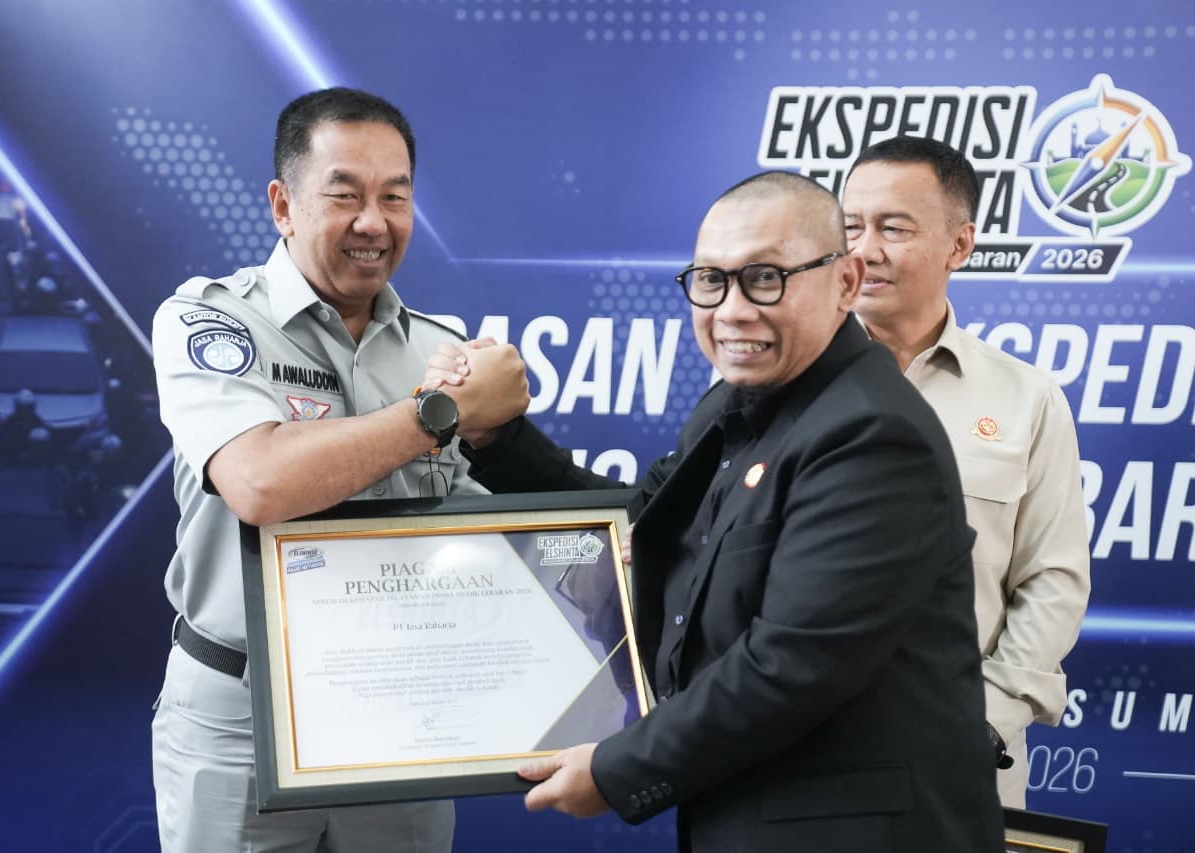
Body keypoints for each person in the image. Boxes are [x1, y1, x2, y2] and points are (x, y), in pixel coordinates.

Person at [427, 171, 1003, 851]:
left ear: (845, 282)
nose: (732, 310)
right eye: (711, 280)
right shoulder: (733, 403)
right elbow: (635, 525)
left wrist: (615, 769)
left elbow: (791, 665)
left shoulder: (872, 434)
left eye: (765, 278)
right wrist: (497, 437)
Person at [149, 87, 529, 853]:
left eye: (395, 197)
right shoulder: (210, 321)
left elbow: (478, 533)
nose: (373, 222)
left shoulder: (442, 349)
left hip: (401, 717)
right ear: (283, 206)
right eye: (344, 195)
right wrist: (439, 413)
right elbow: (261, 483)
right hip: (241, 718)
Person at [843, 135, 1091, 808]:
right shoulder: (780, 387)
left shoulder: (1027, 398)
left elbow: (1053, 579)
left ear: (960, 245)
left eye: (894, 228)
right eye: (851, 227)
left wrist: (981, 721)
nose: (865, 250)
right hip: (796, 763)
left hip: (961, 769)